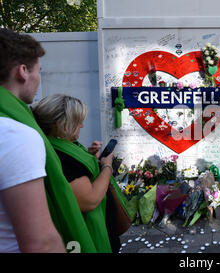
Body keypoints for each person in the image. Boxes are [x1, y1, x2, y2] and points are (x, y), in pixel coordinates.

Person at [31, 94, 129, 253]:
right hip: (91, 235)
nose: (82, 125)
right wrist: (107, 167)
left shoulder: (60, 146)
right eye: (78, 121)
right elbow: (89, 200)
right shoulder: (61, 156)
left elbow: (80, 175)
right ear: (62, 125)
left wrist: (91, 159)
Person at [0, 28, 66, 252]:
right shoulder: (14, 135)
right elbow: (41, 243)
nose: (39, 78)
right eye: (40, 71)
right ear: (23, 71)